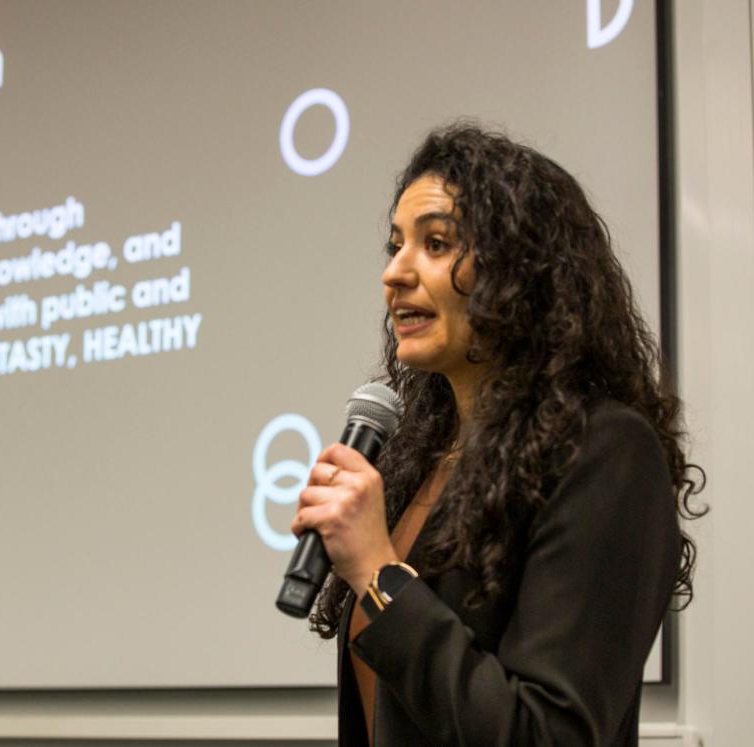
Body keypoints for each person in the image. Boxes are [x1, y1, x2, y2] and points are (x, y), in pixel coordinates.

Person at [290, 123, 705, 746]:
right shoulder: (423, 458)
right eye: (395, 244)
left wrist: (378, 569)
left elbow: (550, 734)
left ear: (519, 271)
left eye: (435, 244)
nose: (395, 273)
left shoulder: (605, 453)